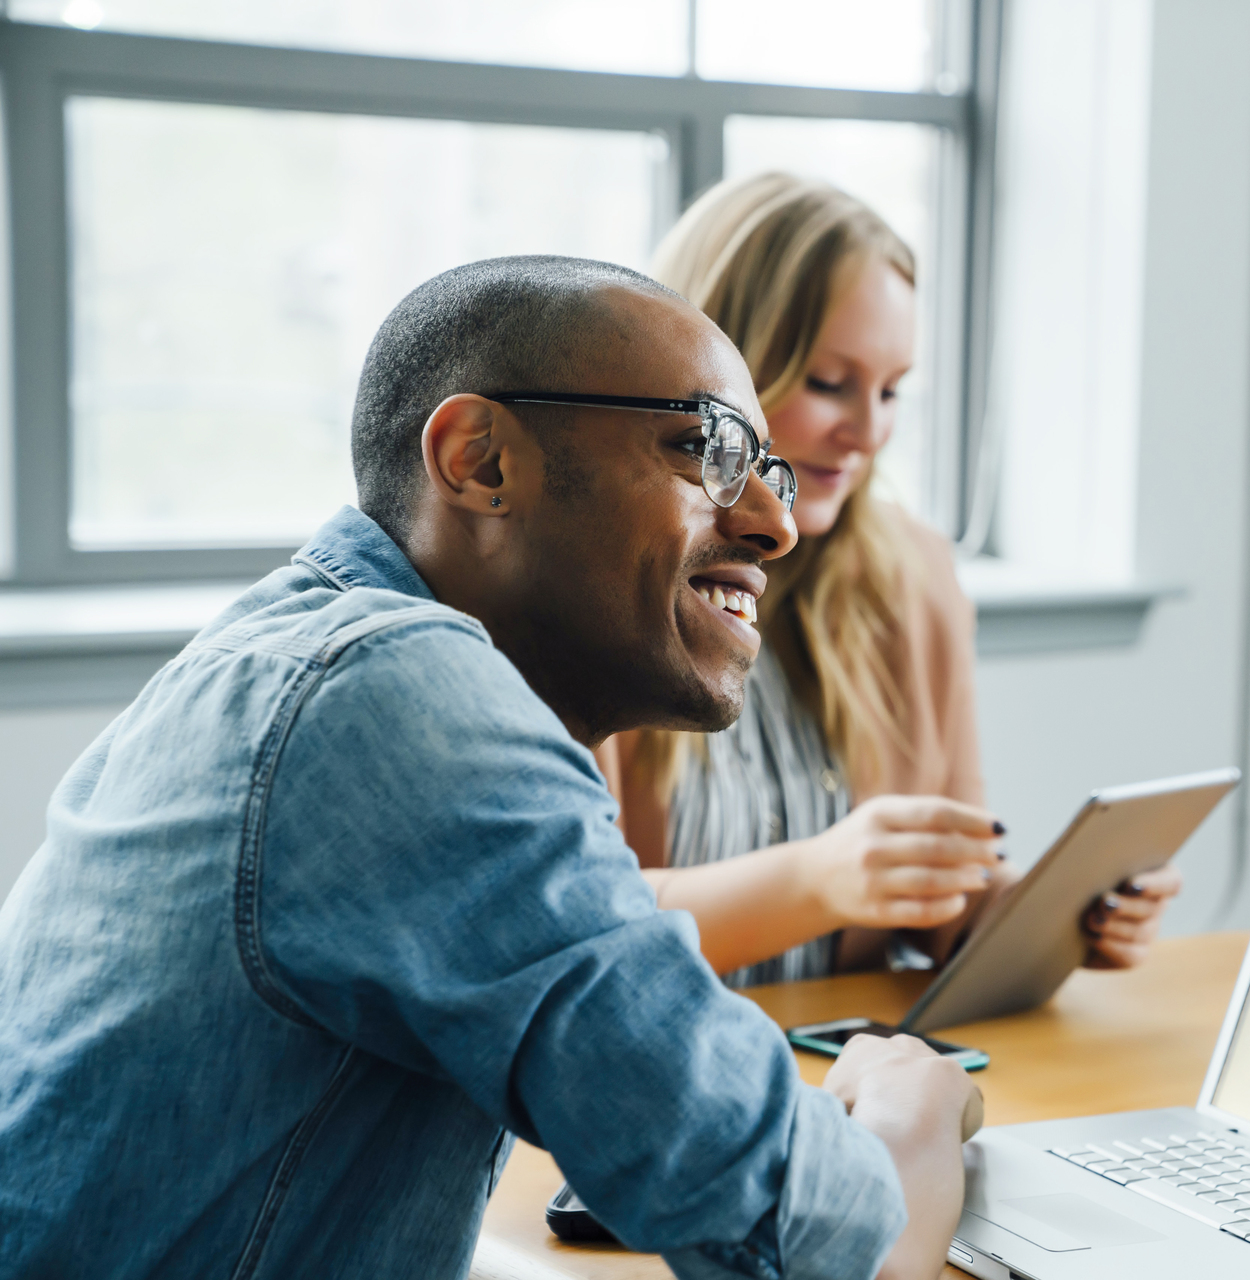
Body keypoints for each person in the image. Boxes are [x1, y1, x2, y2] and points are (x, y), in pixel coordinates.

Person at [0, 256, 975, 1278]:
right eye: (704, 448)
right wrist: (913, 1105)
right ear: (480, 461)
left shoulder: (301, 654)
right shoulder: (395, 695)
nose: (774, 526)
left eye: (766, 471)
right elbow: (823, 1249)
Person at [599, 173, 1180, 985]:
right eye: (829, 383)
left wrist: (1060, 913)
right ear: (718, 369)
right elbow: (571, 931)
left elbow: (946, 902)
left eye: (893, 390)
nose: (869, 431)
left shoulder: (914, 577)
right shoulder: (593, 579)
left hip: (835, 1065)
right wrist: (818, 881)